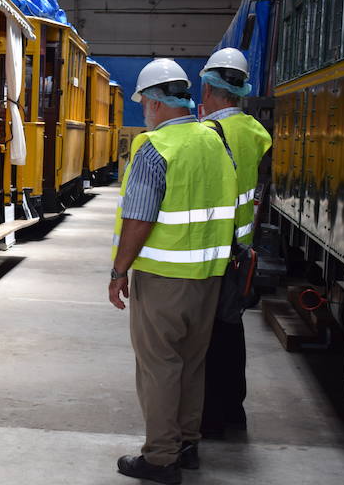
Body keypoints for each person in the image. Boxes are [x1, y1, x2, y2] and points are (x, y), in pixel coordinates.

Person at [110, 58, 237, 484]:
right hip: (208, 277)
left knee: (159, 366)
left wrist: (118, 270)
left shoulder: (155, 147)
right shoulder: (215, 140)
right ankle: (186, 443)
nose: (143, 109)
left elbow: (139, 218)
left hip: (164, 278)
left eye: (143, 101)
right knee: (191, 363)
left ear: (155, 103)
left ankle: (160, 459)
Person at [199, 48, 272, 439]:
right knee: (232, 330)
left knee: (208, 337)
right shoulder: (256, 132)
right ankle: (233, 411)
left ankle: (210, 419)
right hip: (244, 248)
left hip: (215, 249)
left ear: (209, 88)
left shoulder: (211, 135)